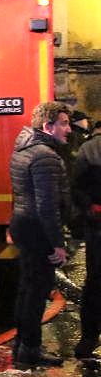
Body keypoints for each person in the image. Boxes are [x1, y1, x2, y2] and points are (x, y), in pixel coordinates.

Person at [9, 100, 72, 368]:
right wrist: (57, 244)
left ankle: (22, 345)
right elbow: (47, 205)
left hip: (23, 223)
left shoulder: (23, 149)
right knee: (37, 291)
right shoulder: (45, 155)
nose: (68, 130)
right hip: (37, 229)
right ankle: (31, 349)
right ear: (48, 126)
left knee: (27, 288)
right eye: (64, 124)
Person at [70, 125, 101, 359]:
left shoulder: (89, 149)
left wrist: (88, 212)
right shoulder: (91, 149)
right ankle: (88, 338)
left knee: (95, 283)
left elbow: (76, 188)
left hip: (97, 227)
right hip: (97, 225)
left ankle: (88, 339)